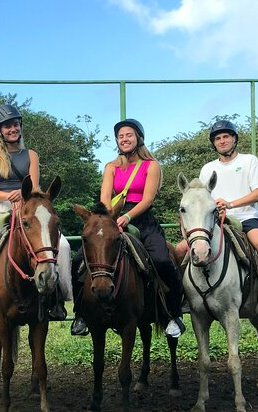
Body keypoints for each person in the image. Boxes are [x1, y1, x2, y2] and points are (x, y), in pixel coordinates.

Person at [70, 118, 185, 338]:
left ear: (138, 138)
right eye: (120, 136)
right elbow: (105, 198)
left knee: (162, 260)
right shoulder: (111, 167)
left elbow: (148, 199)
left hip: (141, 218)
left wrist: (128, 217)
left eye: (128, 135)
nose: (124, 139)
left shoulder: (151, 165)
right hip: (113, 217)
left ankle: (173, 314)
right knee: (78, 261)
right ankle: (81, 314)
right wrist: (110, 218)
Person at [0, 104, 73, 326]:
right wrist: (10, 197)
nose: (12, 129)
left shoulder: (31, 154)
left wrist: (23, 201)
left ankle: (59, 299)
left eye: (15, 124)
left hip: (28, 208)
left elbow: (33, 187)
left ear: (20, 126)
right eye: (7, 126)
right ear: (0, 130)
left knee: (63, 247)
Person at [175, 120, 258, 318]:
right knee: (180, 250)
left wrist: (230, 204)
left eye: (225, 137)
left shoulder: (249, 161)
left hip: (246, 217)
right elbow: (201, 199)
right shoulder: (207, 168)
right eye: (217, 138)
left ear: (234, 139)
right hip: (214, 222)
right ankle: (185, 297)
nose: (222, 141)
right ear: (213, 143)